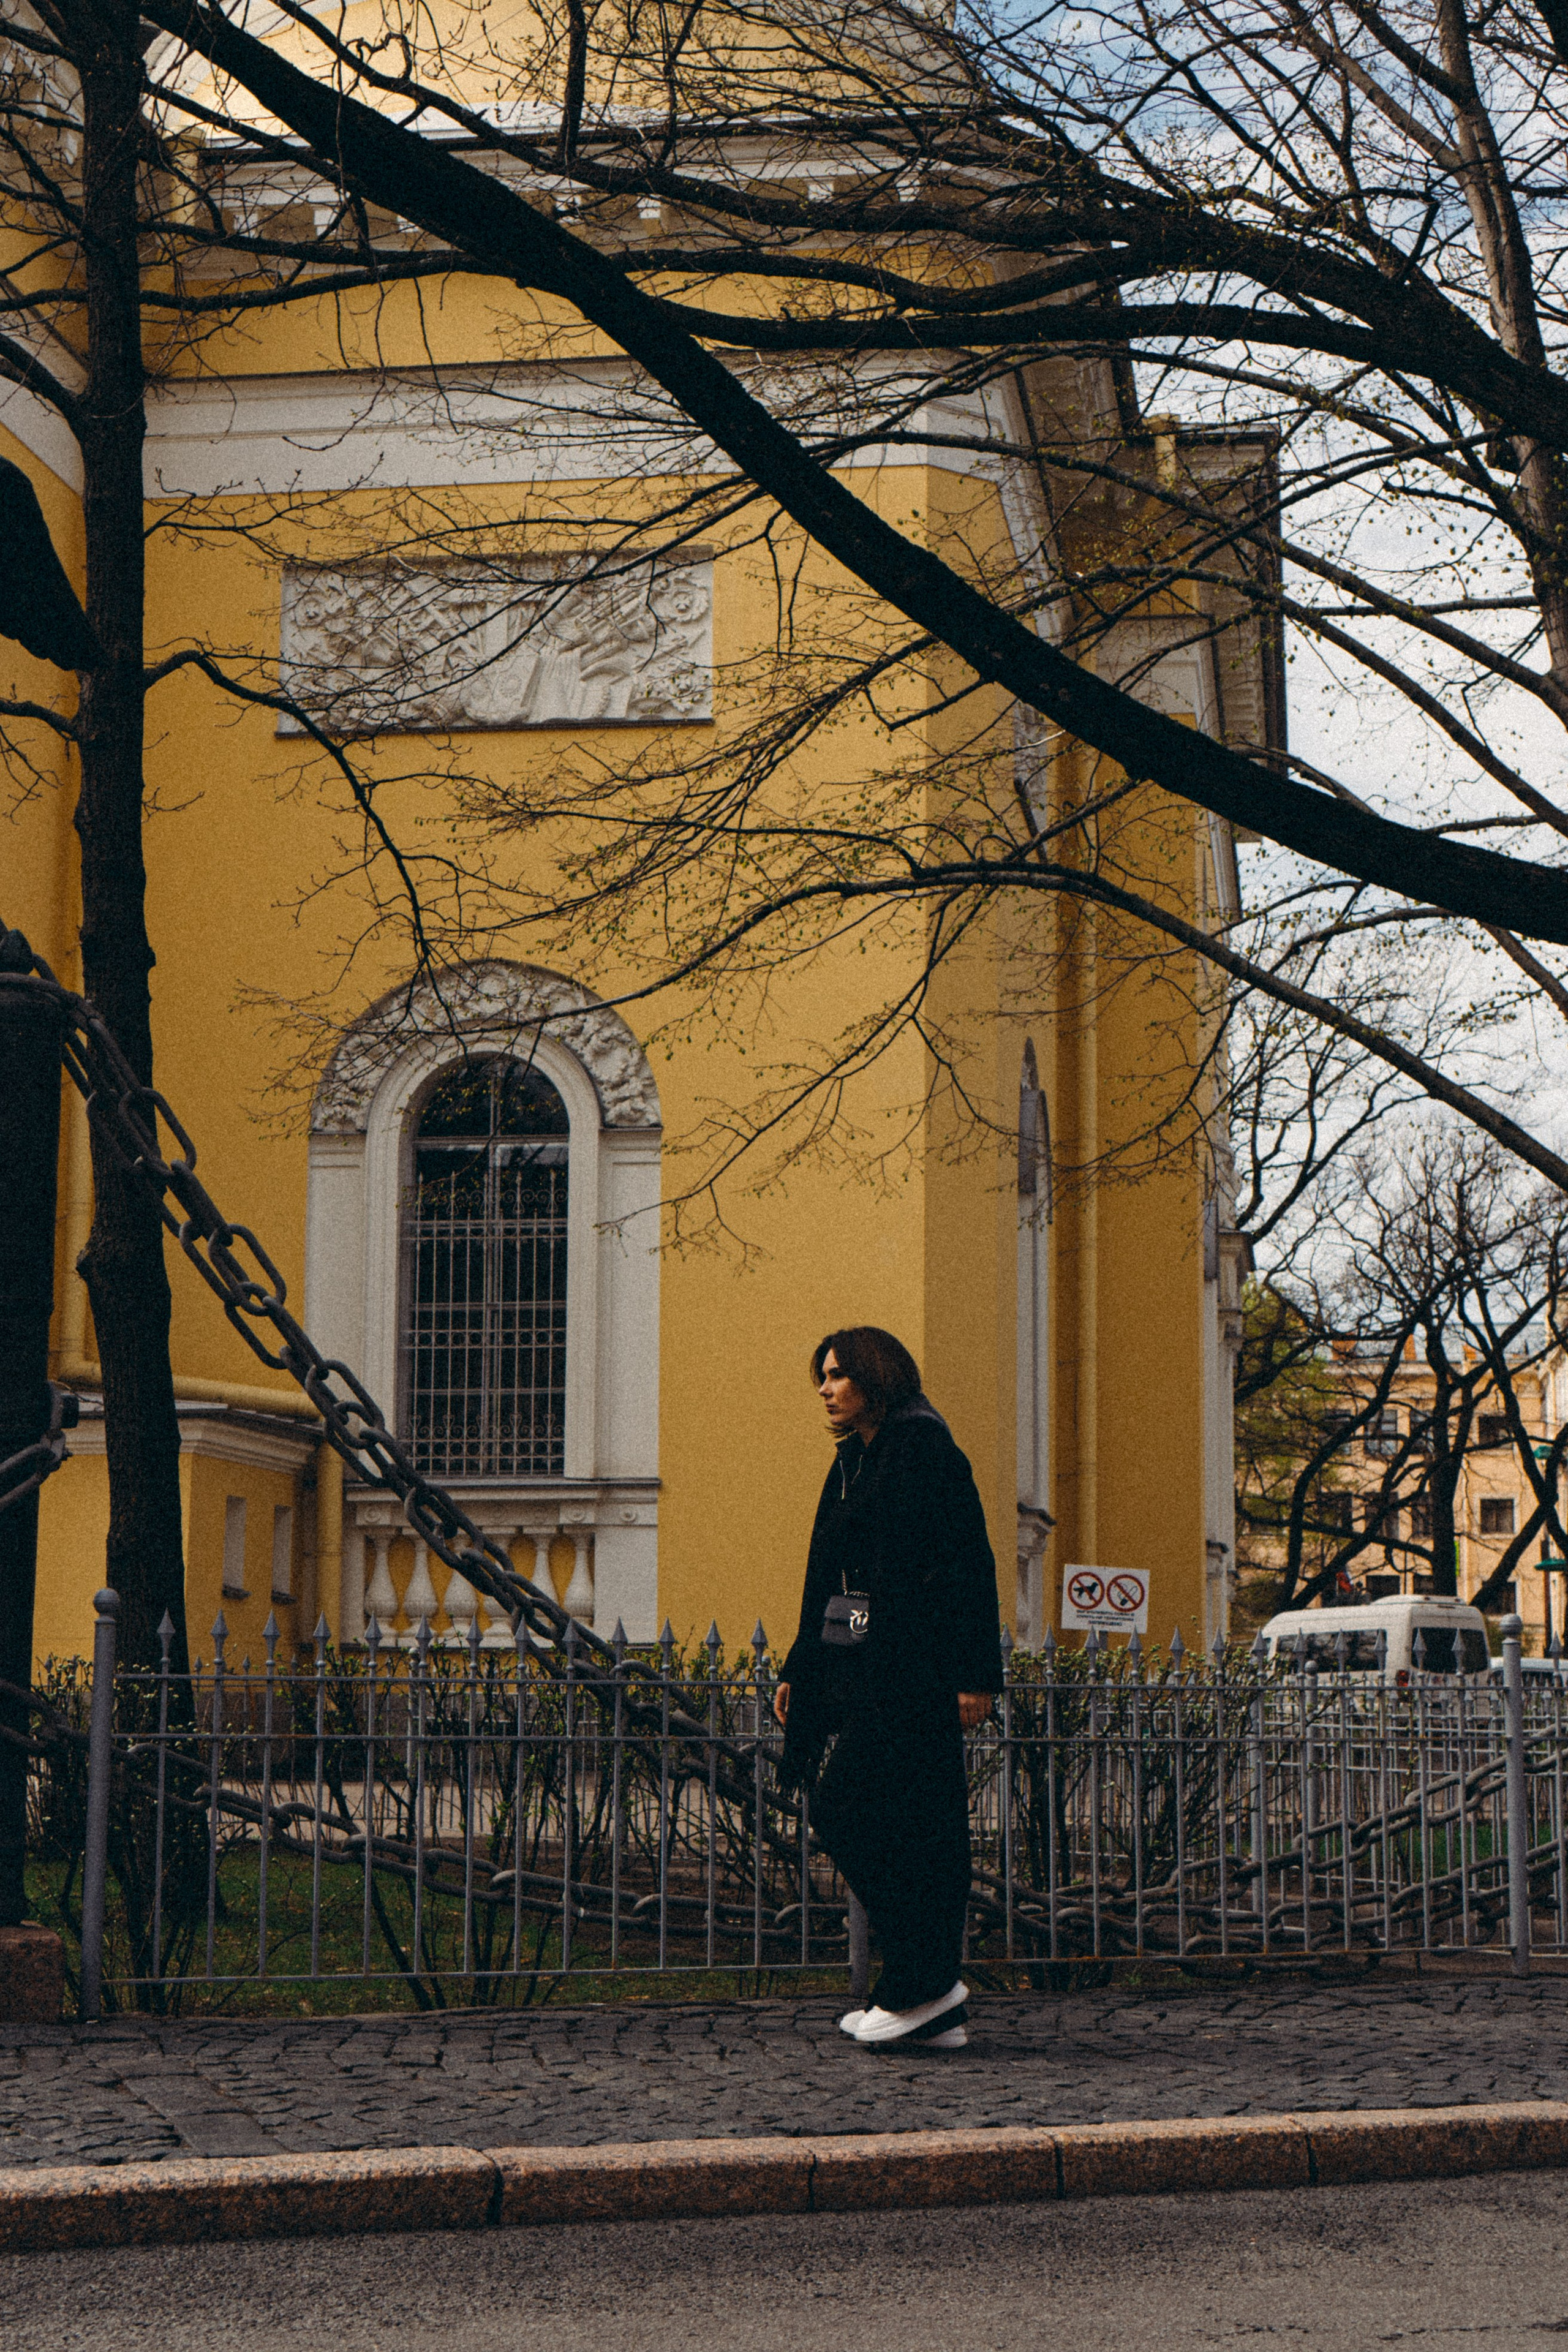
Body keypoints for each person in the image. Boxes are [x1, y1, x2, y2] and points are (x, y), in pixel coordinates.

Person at [774, 1326, 1004, 2049]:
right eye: (823, 1376)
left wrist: (973, 1677)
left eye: (838, 1374)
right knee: (907, 1829)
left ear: (876, 1376)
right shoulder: (860, 1459)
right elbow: (829, 1578)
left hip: (919, 1676)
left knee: (853, 1812)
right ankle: (928, 2003)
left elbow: (967, 1563)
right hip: (878, 1671)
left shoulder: (922, 1447)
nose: (825, 1388)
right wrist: (798, 1667)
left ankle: (924, 1986)